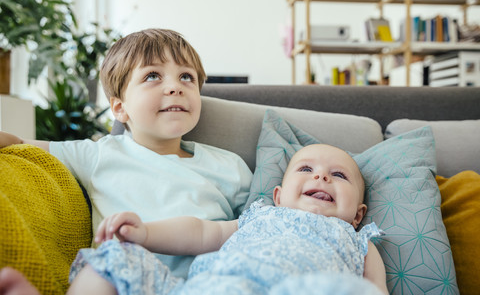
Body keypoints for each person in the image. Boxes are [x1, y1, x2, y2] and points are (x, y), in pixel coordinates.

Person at [0, 28, 252, 286]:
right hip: (123, 280)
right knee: (105, 263)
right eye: (153, 75)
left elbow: (262, 225)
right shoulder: (99, 153)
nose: (175, 87)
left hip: (209, 282)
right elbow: (20, 143)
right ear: (120, 108)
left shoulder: (230, 166)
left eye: (186, 77)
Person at [65, 143, 389, 295]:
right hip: (208, 288)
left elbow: (376, 290)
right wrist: (145, 232)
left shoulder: (357, 240)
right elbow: (199, 233)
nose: (321, 177)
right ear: (278, 196)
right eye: (306, 169)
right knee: (115, 259)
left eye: (338, 175)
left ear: (358, 215)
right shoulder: (258, 216)